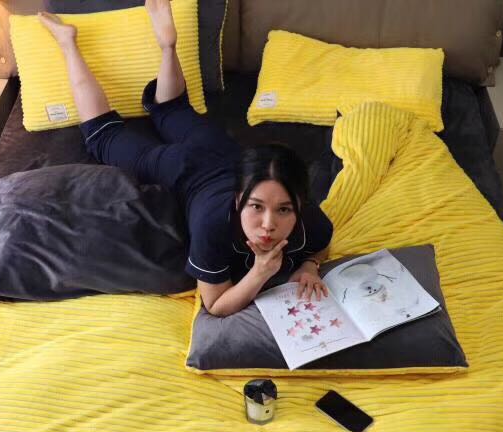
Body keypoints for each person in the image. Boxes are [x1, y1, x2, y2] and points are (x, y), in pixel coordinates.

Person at [38, 0, 333, 317]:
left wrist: (309, 266)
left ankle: (168, 45)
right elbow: (215, 305)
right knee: (102, 135)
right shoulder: (214, 223)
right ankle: (68, 43)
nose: (268, 225)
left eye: (284, 209)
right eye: (256, 207)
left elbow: (321, 244)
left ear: (300, 205)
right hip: (183, 168)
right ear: (238, 200)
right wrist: (260, 272)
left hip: (220, 149)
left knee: (173, 109)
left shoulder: (309, 221)